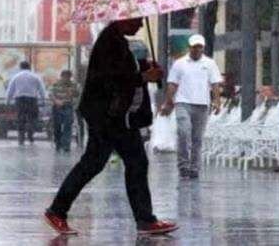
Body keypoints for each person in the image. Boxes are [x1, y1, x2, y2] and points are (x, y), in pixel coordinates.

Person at [44, 19, 178, 236]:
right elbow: (112, 79)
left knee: (119, 163)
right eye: (137, 20)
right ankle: (143, 219)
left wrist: (145, 66)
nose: (141, 26)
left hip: (117, 116)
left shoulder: (117, 41)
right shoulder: (109, 42)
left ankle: (59, 210)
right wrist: (144, 76)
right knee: (117, 163)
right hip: (107, 116)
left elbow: (123, 69)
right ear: (124, 19)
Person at [161, 34, 222, 179]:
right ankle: (183, 165)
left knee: (197, 138)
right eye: (194, 47)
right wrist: (169, 102)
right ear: (189, 47)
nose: (197, 50)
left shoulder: (209, 64)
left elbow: (215, 84)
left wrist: (217, 101)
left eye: (199, 47)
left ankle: (194, 167)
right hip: (183, 103)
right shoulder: (180, 63)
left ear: (203, 48)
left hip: (202, 104)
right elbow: (172, 83)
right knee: (183, 132)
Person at [6, 61, 46, 145]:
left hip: (20, 100)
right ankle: (30, 134)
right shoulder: (35, 77)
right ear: (29, 67)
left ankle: (21, 139)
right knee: (33, 118)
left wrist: (8, 101)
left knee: (21, 118)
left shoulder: (16, 77)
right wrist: (43, 100)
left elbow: (10, 89)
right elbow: (41, 89)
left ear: (20, 67)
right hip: (32, 100)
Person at [50, 70, 80, 153]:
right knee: (57, 126)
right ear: (62, 76)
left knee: (68, 125)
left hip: (68, 106)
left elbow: (77, 96)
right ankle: (58, 144)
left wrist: (72, 94)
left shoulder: (74, 85)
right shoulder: (56, 84)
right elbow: (51, 94)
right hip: (57, 107)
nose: (66, 78)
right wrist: (56, 101)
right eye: (65, 76)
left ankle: (66, 145)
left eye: (68, 77)